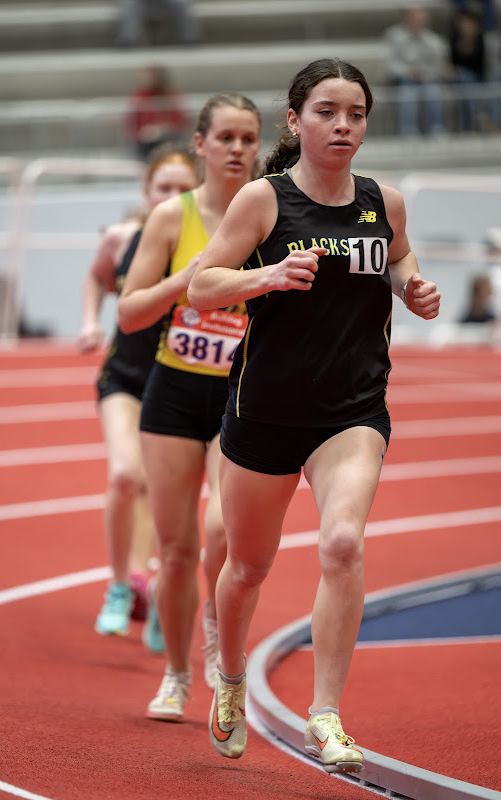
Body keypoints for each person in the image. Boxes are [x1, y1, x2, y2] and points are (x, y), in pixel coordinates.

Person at [188, 57, 441, 771]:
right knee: (246, 568)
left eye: (356, 114)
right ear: (295, 121)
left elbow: (399, 256)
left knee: (342, 545)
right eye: (327, 112)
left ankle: (325, 715)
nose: (343, 125)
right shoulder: (262, 200)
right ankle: (230, 677)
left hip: (352, 411)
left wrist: (412, 285)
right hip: (265, 411)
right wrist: (267, 275)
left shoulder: (384, 202)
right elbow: (202, 286)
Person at [117, 92, 262, 721]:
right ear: (200, 143)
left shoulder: (270, 210)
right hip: (174, 392)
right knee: (175, 550)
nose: (237, 149)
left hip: (241, 395)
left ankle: (215, 629)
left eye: (248, 139)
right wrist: (187, 281)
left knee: (222, 534)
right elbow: (129, 313)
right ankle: (176, 675)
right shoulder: (172, 217)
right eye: (225, 137)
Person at [77, 145, 200, 650]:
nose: (171, 196)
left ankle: (155, 586)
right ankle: (118, 586)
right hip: (124, 378)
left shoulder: (208, 244)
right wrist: (90, 321)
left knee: (160, 492)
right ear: (146, 192)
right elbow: (96, 276)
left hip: (177, 382)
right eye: (163, 188)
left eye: (182, 189)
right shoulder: (122, 237)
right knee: (126, 475)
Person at [383, 5, 447, 136]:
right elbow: (390, 64)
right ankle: (408, 130)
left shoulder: (433, 40)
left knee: (433, 93)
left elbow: (438, 65)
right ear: (406, 19)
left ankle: (436, 128)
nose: (418, 22)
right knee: (408, 94)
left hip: (427, 79)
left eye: (422, 19)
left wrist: (425, 74)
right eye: (415, 19)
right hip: (402, 79)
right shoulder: (394, 35)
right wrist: (409, 73)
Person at [123, 66, 191, 162]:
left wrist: (165, 129)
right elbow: (132, 124)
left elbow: (181, 121)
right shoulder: (139, 97)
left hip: (169, 138)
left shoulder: (172, 96)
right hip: (146, 142)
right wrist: (145, 132)